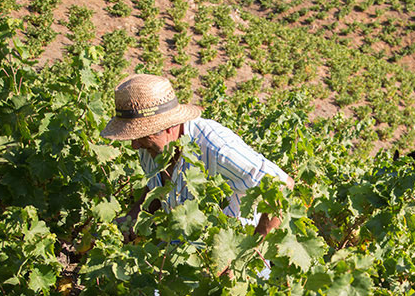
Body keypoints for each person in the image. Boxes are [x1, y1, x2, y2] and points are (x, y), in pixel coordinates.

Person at [100, 74, 294, 239]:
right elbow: (157, 186)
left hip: (231, 252)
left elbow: (282, 183)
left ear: (169, 125)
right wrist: (134, 215)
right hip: (182, 247)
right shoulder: (149, 147)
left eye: (142, 135)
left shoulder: (216, 147)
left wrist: (249, 251)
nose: (134, 145)